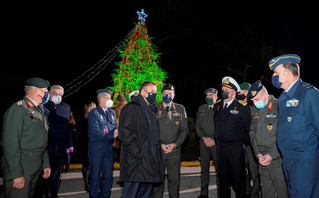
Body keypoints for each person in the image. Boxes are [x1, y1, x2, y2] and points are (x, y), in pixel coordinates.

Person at [268, 54, 319, 198]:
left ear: (288, 73)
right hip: (288, 159)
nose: (274, 76)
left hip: (305, 161)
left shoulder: (309, 93)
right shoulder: (284, 97)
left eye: (276, 73)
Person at [1, 77, 51, 198]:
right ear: (37, 91)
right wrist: (16, 173)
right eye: (46, 90)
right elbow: (10, 144)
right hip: (22, 164)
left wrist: (45, 163)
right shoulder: (18, 110)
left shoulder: (38, 110)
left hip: (35, 163)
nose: (47, 93)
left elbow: (41, 139)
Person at [119, 82, 163, 198]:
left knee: (145, 193)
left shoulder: (150, 110)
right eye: (152, 92)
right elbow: (124, 133)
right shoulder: (131, 108)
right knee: (131, 193)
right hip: (136, 161)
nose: (154, 95)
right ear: (143, 92)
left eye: (155, 92)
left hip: (149, 160)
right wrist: (136, 152)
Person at [247, 80, 288, 198]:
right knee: (266, 191)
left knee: (282, 192)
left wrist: (272, 154)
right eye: (252, 100)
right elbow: (252, 132)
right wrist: (258, 153)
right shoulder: (254, 109)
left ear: (265, 94)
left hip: (276, 159)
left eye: (256, 99)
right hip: (261, 158)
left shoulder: (278, 106)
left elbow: (285, 134)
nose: (254, 103)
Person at [213, 76, 251, 198]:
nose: (224, 90)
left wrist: (239, 142)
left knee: (238, 179)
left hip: (235, 149)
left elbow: (248, 129)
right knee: (222, 180)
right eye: (223, 87)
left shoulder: (242, 107)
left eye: (227, 88)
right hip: (220, 148)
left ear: (234, 92)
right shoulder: (217, 105)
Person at [152, 83, 189, 198]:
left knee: (174, 180)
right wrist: (160, 144)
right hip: (159, 150)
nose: (167, 96)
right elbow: (151, 130)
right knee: (157, 181)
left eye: (169, 94)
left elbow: (184, 130)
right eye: (164, 94)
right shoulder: (154, 108)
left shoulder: (180, 109)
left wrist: (175, 144)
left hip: (174, 151)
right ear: (161, 95)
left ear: (173, 95)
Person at [35, 84, 71, 198]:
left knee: (56, 174)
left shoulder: (65, 107)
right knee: (42, 175)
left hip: (59, 147)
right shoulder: (43, 106)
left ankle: (52, 194)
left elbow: (66, 127)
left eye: (60, 94)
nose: (58, 96)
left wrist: (68, 145)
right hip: (46, 147)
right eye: (55, 94)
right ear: (49, 94)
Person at [88, 88, 118, 198]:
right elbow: (95, 132)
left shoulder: (111, 112)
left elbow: (114, 126)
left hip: (108, 148)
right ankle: (94, 196)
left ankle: (105, 196)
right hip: (96, 149)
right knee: (95, 175)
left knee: (108, 176)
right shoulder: (94, 113)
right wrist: (111, 135)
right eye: (110, 98)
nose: (111, 101)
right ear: (102, 99)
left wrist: (116, 133)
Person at [195, 88, 219, 198]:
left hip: (216, 143)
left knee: (220, 170)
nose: (209, 97)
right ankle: (204, 194)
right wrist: (204, 138)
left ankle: (221, 193)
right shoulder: (201, 108)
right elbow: (197, 126)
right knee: (204, 170)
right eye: (207, 95)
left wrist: (214, 139)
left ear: (216, 97)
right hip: (203, 143)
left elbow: (222, 127)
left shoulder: (220, 108)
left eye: (211, 95)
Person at [238, 82, 261, 198]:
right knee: (242, 169)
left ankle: (255, 193)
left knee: (254, 170)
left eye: (241, 92)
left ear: (247, 92)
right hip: (241, 143)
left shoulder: (256, 105)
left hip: (253, 144)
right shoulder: (237, 106)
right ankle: (246, 191)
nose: (239, 94)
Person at [78, 101, 96, 192]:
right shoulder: (95, 118)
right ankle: (92, 183)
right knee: (93, 164)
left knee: (85, 164)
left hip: (83, 143)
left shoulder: (82, 118)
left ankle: (86, 184)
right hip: (92, 143)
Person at [113, 94, 127, 162]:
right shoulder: (130, 107)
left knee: (121, 155)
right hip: (131, 135)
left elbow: (116, 124)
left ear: (118, 101)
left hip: (121, 135)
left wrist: (114, 140)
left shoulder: (117, 110)